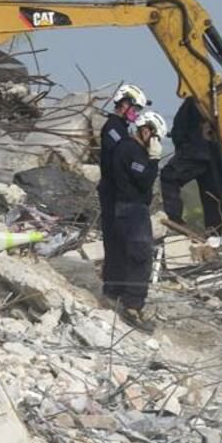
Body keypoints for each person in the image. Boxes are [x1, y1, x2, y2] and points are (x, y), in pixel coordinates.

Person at [107, 109, 167, 332]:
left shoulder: (128, 148)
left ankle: (122, 298)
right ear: (146, 130)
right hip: (132, 210)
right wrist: (153, 160)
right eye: (155, 137)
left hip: (129, 209)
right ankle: (132, 306)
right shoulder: (130, 150)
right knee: (140, 257)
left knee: (129, 256)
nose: (156, 142)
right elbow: (144, 180)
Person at [96, 84, 149, 302]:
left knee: (119, 242)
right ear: (124, 104)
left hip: (117, 193)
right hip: (111, 192)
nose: (136, 113)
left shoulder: (120, 128)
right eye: (134, 108)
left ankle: (116, 287)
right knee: (114, 242)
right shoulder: (113, 128)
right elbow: (121, 155)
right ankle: (112, 289)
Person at [160, 96, 222, 241]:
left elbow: (178, 130)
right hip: (218, 161)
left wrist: (183, 151)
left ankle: (174, 218)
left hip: (194, 154)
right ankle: (215, 235)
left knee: (168, 177)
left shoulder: (192, 102)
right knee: (215, 198)